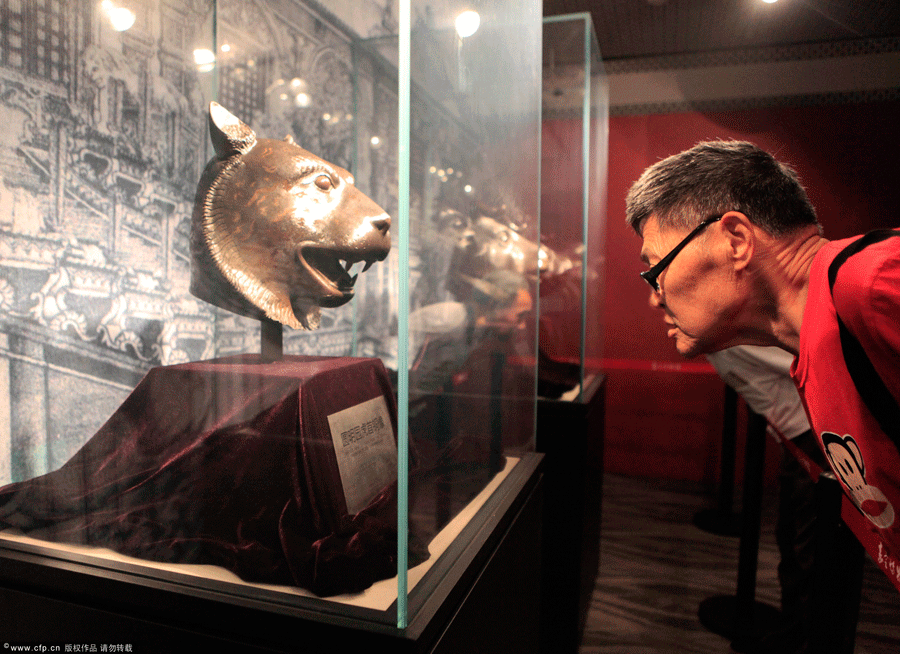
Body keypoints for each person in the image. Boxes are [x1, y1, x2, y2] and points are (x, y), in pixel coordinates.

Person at [626, 139, 900, 646]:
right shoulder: (813, 351)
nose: (654, 295)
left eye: (656, 268)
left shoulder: (874, 282)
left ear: (735, 240)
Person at [706, 345, 825, 653]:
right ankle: (792, 632)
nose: (656, 304)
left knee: (810, 551)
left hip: (817, 430)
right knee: (790, 537)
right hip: (796, 430)